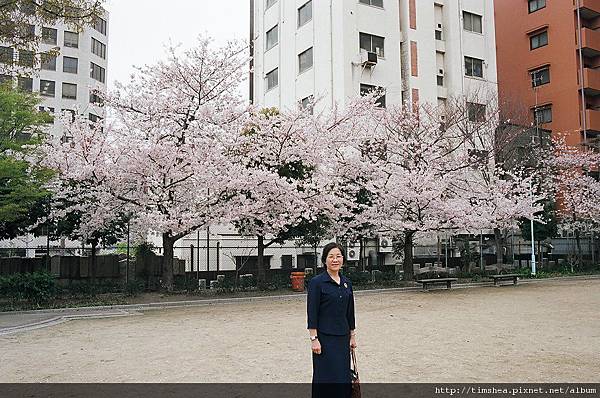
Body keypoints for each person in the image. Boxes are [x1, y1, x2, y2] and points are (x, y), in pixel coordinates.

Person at [307, 242, 357, 397]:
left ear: (343, 259)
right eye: (331, 256)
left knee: (342, 377)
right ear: (324, 260)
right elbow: (312, 312)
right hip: (324, 339)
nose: (335, 260)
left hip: (342, 338)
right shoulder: (317, 283)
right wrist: (314, 338)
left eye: (338, 256)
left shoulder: (347, 283)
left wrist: (352, 336)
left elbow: (350, 312)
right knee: (325, 377)